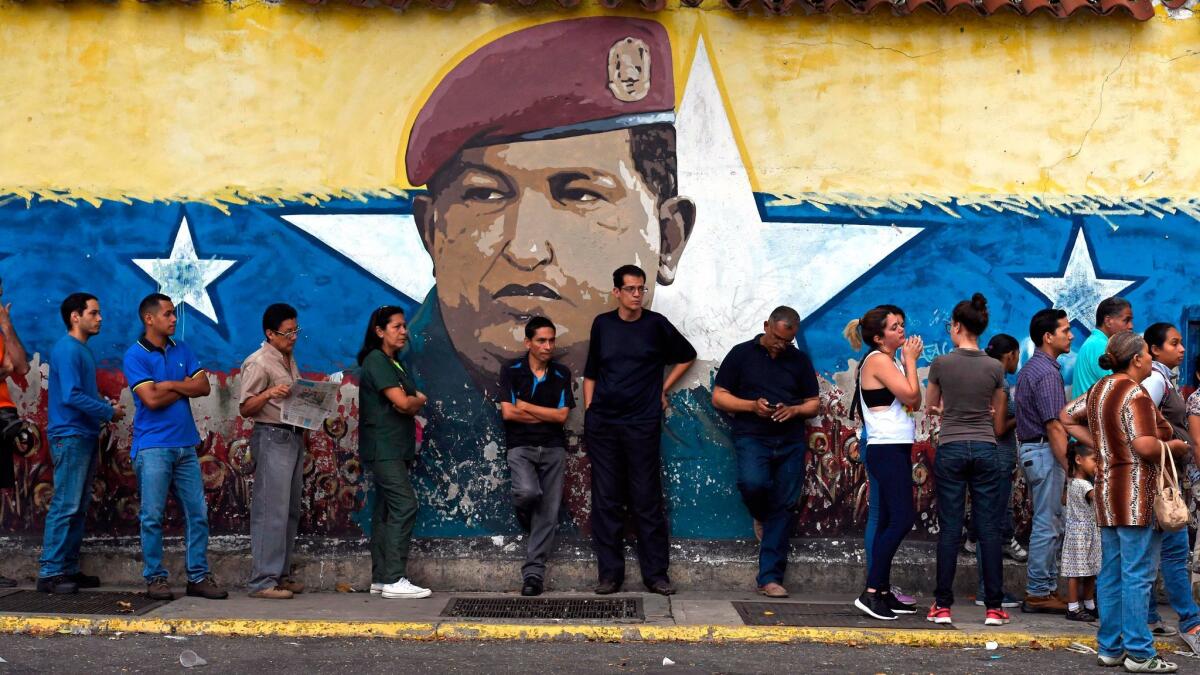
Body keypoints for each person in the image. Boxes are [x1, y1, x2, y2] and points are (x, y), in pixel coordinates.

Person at [400, 17, 696, 534]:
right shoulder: (406, 384)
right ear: (431, 230)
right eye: (486, 195)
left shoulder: (701, 437)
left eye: (580, 193)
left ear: (667, 240)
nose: (527, 248)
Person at [1061, 330, 1188, 673]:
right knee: (1137, 574)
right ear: (1136, 359)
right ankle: (1139, 652)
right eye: (1149, 353)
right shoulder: (1136, 394)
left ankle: (1111, 648)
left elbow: (1066, 417)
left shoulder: (1101, 389)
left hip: (1106, 494)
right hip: (1136, 494)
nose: (1152, 358)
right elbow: (1146, 446)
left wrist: (1102, 448)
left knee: (1113, 573)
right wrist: (1178, 448)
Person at [584, 264, 696, 596]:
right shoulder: (603, 325)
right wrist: (590, 410)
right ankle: (610, 576)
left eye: (641, 289)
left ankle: (656, 575)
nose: (637, 295)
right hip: (603, 424)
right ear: (616, 291)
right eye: (630, 289)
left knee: (646, 499)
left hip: (642, 424)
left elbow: (687, 356)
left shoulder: (656, 325)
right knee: (606, 500)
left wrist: (663, 388)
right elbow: (592, 371)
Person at [122, 293, 226, 601]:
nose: (173, 319)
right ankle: (155, 578)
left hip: (185, 445)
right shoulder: (135, 355)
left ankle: (198, 576)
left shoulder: (183, 349)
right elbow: (150, 401)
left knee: (198, 514)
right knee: (152, 516)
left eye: (174, 314)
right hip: (153, 446)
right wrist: (183, 387)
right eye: (167, 314)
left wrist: (167, 385)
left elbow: (204, 386)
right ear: (149, 318)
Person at [712, 306, 820, 598]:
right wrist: (751, 406)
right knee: (753, 483)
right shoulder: (741, 354)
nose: (781, 346)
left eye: (788, 341)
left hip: (790, 440)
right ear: (766, 326)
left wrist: (795, 409)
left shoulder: (798, 360)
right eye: (777, 338)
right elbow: (719, 397)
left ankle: (770, 577)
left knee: (785, 505)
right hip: (752, 436)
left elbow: (813, 403)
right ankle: (760, 515)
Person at [924, 294, 1009, 627]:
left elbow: (931, 406)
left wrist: (949, 410)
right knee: (988, 530)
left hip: (952, 447)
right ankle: (994, 608)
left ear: (957, 326)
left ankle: (942, 606)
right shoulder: (995, 366)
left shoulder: (942, 364)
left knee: (949, 528)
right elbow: (997, 413)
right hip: (987, 448)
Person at [38, 293, 124, 595]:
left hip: (82, 434)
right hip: (70, 434)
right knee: (67, 503)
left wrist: (101, 405)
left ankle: (68, 568)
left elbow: (78, 392)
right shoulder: (68, 349)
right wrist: (108, 411)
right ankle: (50, 571)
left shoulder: (81, 351)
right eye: (94, 313)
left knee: (79, 505)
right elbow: (71, 396)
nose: (100, 318)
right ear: (76, 316)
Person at [844, 304, 923, 621]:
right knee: (902, 519)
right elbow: (913, 397)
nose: (901, 330)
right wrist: (911, 361)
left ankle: (883, 590)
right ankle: (872, 592)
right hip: (885, 448)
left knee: (892, 518)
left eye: (902, 324)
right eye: (894, 327)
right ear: (878, 337)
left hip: (895, 447)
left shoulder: (886, 360)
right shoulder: (879, 360)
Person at [356, 305, 431, 600]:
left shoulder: (394, 362)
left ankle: (381, 577)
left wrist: (413, 400)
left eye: (404, 326)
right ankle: (393, 578)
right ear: (379, 331)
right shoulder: (377, 360)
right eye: (397, 327)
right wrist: (416, 400)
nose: (404, 331)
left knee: (386, 511)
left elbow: (407, 401)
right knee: (404, 505)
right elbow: (403, 402)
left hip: (394, 447)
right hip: (383, 447)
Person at [498, 316, 575, 597]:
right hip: (520, 447)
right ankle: (525, 513)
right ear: (528, 342)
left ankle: (533, 575)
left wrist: (526, 407)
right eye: (541, 340)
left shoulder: (561, 373)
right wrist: (546, 415)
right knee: (529, 494)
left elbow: (562, 417)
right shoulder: (512, 370)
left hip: (554, 448)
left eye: (551, 340)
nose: (548, 346)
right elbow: (508, 413)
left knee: (548, 514)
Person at [239, 303, 305, 600]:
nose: (293, 336)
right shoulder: (259, 362)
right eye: (287, 332)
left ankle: (280, 574)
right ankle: (262, 581)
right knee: (270, 511)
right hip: (271, 436)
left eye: (295, 330)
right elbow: (246, 408)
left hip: (292, 436)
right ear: (270, 333)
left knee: (289, 510)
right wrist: (267, 393)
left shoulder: (287, 359)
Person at [1140, 322, 1200, 646]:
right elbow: (1138, 418)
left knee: (1151, 553)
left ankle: (1149, 615)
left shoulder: (1166, 379)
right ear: (1154, 349)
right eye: (1174, 344)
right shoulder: (1154, 380)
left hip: (1165, 478)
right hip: (1160, 480)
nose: (1181, 349)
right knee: (1176, 554)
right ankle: (1191, 624)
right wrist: (1172, 444)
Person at [1014, 307, 1073, 614]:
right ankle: (1039, 591)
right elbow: (1054, 425)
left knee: (1050, 521)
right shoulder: (1048, 374)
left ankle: (1046, 588)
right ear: (1048, 337)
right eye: (1065, 330)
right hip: (1042, 450)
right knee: (1047, 524)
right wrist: (1070, 466)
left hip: (1033, 451)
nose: (1071, 335)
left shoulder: (1030, 369)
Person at [0, 278, 30, 587]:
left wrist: (7, 325)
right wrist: (4, 369)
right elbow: (8, 368)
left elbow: (20, 367)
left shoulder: (1, 331)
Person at [1062, 445, 1100, 623]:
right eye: (1094, 460)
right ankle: (1073, 607)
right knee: (1076, 572)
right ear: (1078, 460)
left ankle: (1089, 604)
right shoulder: (1082, 484)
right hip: (1080, 534)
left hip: (1087, 532)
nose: (1097, 465)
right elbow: (1097, 497)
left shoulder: (1072, 482)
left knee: (1091, 569)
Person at [1071, 296, 1133, 398]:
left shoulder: (1096, 343)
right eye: (1126, 320)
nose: (1131, 326)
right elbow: (1120, 390)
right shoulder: (1099, 346)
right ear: (1108, 321)